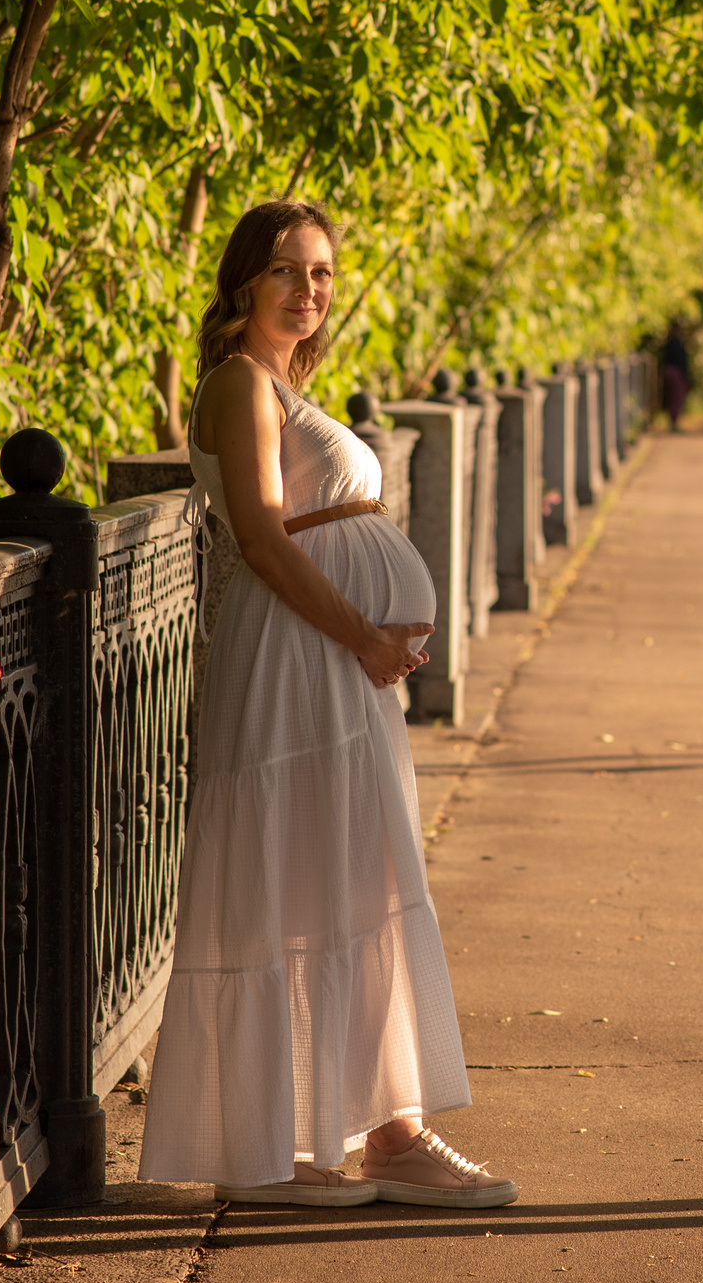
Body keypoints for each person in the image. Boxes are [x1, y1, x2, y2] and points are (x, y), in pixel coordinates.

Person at [138, 200, 518, 1210]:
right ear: (242, 282)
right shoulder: (237, 383)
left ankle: (380, 1134)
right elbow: (262, 537)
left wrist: (369, 639)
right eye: (288, 270)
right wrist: (361, 633)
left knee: (352, 882)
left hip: (336, 667)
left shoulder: (282, 386)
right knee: (307, 883)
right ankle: (281, 1148)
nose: (308, 290)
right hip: (300, 659)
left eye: (322, 274)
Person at [660, 319, 694, 432]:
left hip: (672, 372)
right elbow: (681, 361)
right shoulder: (676, 343)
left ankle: (674, 422)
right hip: (676, 374)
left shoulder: (670, 342)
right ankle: (674, 423)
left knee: (674, 398)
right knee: (676, 398)